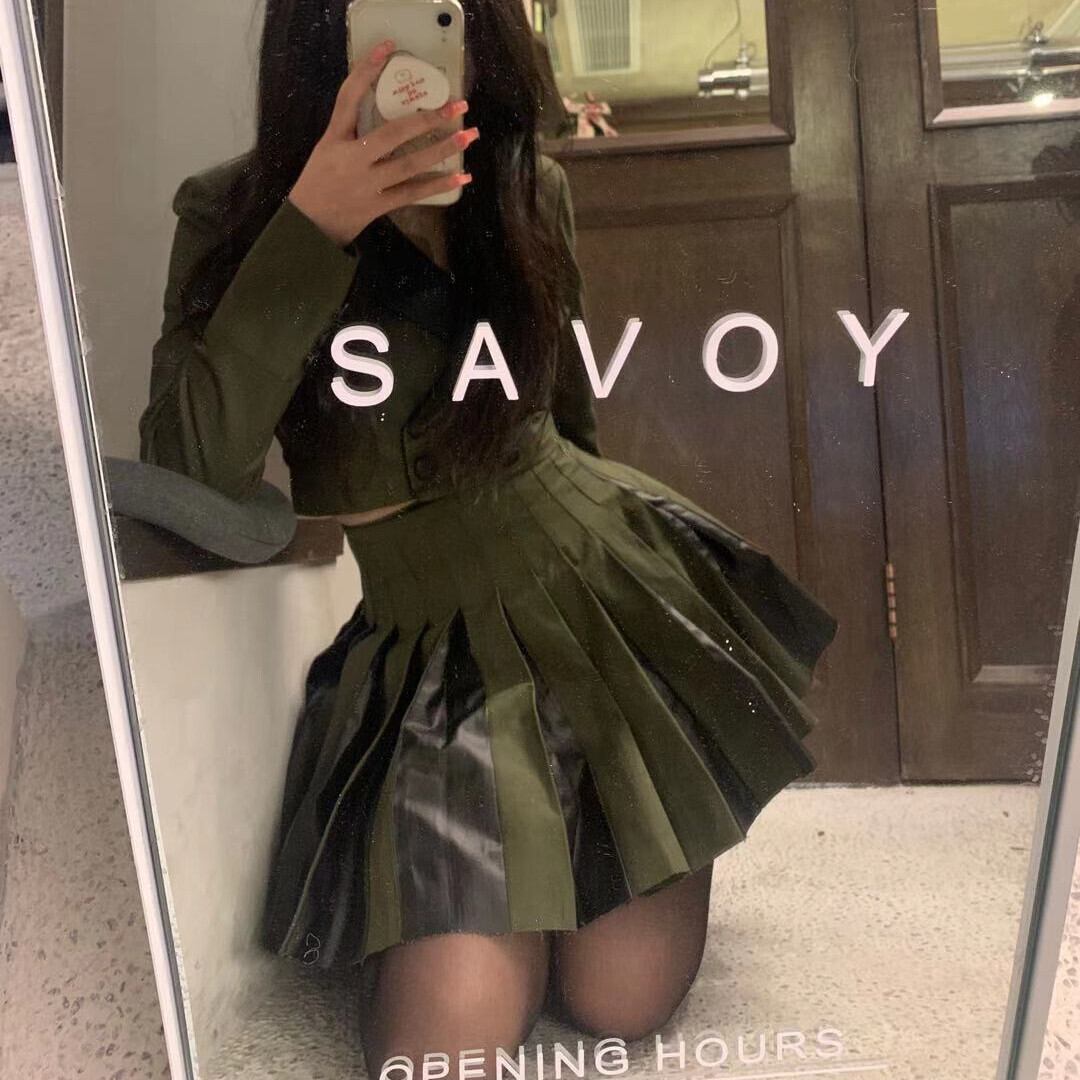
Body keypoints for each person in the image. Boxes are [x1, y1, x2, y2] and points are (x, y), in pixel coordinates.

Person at [138, 2, 839, 1075]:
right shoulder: (231, 212)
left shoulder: (524, 186)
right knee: (446, 1040)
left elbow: (567, 413)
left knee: (620, 1000)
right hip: (429, 644)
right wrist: (311, 229)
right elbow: (188, 468)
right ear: (319, 30)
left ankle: (636, 804)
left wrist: (638, 659)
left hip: (587, 579)